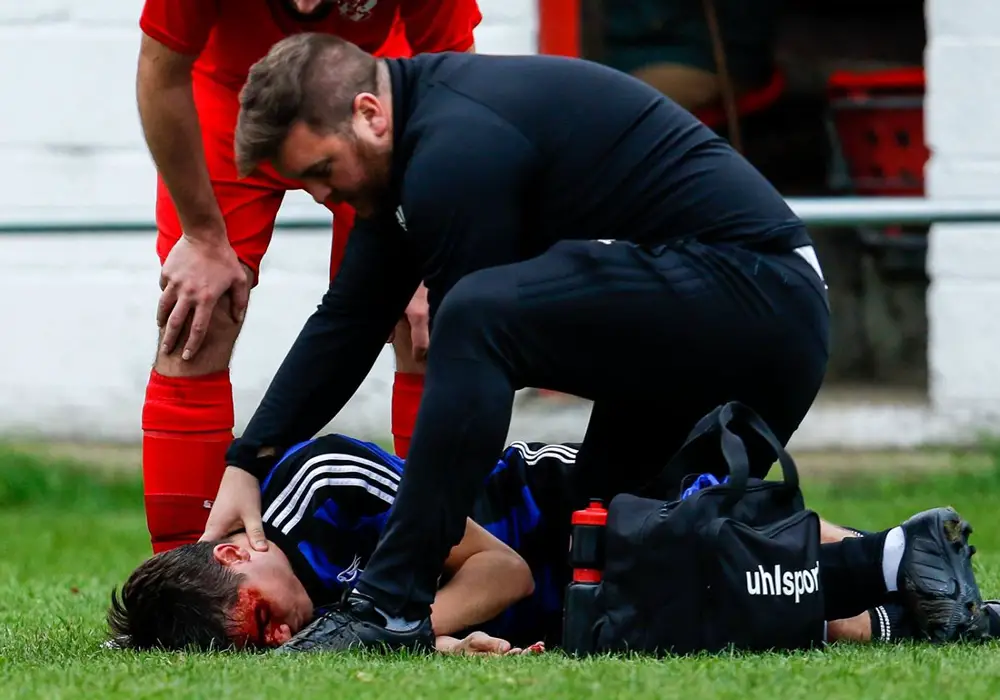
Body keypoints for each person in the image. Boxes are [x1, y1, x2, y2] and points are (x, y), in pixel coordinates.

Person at [201, 36, 985, 652]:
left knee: (473, 312)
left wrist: (399, 591)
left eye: (320, 172)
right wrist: (248, 457)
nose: (321, 196)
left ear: (370, 114)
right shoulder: (414, 156)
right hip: (721, 326)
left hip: (754, 297)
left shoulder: (454, 148)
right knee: (614, 565)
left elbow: (479, 348)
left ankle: (388, 607)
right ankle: (906, 567)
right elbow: (348, 318)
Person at [108, 433, 995, 653]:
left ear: (235, 554)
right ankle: (935, 615)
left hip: (558, 507)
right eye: (262, 649)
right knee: (715, 616)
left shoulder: (318, 483)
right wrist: (450, 644)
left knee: (713, 538)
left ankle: (900, 551)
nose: (282, 639)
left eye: (263, 620)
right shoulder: (295, 624)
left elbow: (498, 568)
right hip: (555, 609)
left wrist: (412, 638)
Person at [136, 0, 481, 555]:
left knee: (427, 319)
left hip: (370, 102)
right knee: (197, 311)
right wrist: (202, 235)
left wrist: (433, 253)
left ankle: (440, 557)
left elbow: (454, 85)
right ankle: (183, 573)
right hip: (228, 95)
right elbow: (159, 70)